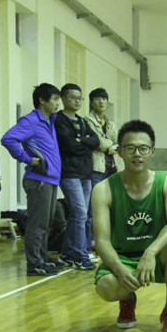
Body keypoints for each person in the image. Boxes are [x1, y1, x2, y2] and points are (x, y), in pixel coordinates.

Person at [92, 120, 167, 332]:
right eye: (130, 148)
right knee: (106, 287)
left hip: (157, 255)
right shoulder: (103, 189)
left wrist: (151, 252)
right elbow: (102, 241)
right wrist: (119, 268)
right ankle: (127, 299)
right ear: (120, 152)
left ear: (152, 152)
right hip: (123, 257)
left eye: (143, 148)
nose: (137, 154)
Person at [1, 83, 64, 276]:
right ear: (42, 100)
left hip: (50, 180)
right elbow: (8, 139)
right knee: (38, 223)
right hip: (39, 180)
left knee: (46, 224)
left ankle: (43, 258)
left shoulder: (50, 121)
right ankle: (34, 263)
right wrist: (27, 159)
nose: (58, 103)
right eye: (55, 99)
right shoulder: (31, 121)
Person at [55, 84, 100, 270]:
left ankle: (68, 254)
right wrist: (84, 143)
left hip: (85, 173)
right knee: (80, 214)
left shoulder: (82, 121)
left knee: (80, 215)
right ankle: (80, 255)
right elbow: (69, 145)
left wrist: (82, 141)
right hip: (69, 173)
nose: (77, 101)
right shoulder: (59, 120)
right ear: (64, 99)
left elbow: (95, 141)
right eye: (73, 97)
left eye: (79, 98)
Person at [85, 87, 118, 262]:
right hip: (95, 169)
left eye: (104, 99)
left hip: (110, 168)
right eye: (97, 99)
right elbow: (96, 142)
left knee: (110, 208)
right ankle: (88, 245)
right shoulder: (87, 121)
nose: (101, 102)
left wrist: (110, 146)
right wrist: (110, 146)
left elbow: (117, 142)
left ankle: (105, 244)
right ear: (92, 102)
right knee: (92, 210)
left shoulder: (110, 123)